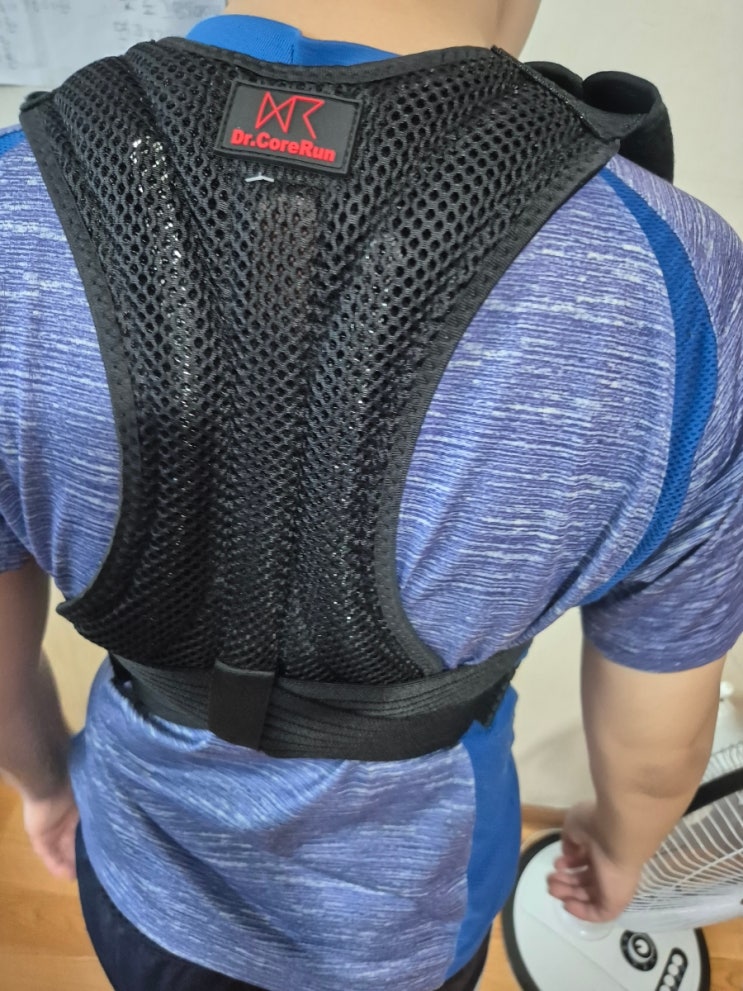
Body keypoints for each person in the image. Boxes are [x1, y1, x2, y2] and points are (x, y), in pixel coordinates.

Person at [0, 2, 741, 990]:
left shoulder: (16, 198)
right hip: (410, 920)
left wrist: (45, 783)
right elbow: (656, 738)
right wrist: (618, 843)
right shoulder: (680, 278)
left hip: (143, 867)